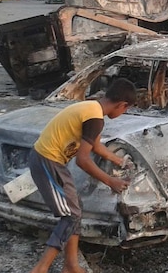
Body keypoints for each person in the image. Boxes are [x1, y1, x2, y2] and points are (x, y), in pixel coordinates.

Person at [27, 78, 137, 273]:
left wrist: (118, 160)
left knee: (75, 208)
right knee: (70, 215)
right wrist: (110, 180)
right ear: (122, 105)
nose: (123, 113)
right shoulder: (95, 119)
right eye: (125, 110)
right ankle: (40, 268)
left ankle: (71, 265)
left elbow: (95, 145)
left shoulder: (92, 108)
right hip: (47, 160)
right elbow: (83, 160)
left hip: (53, 162)